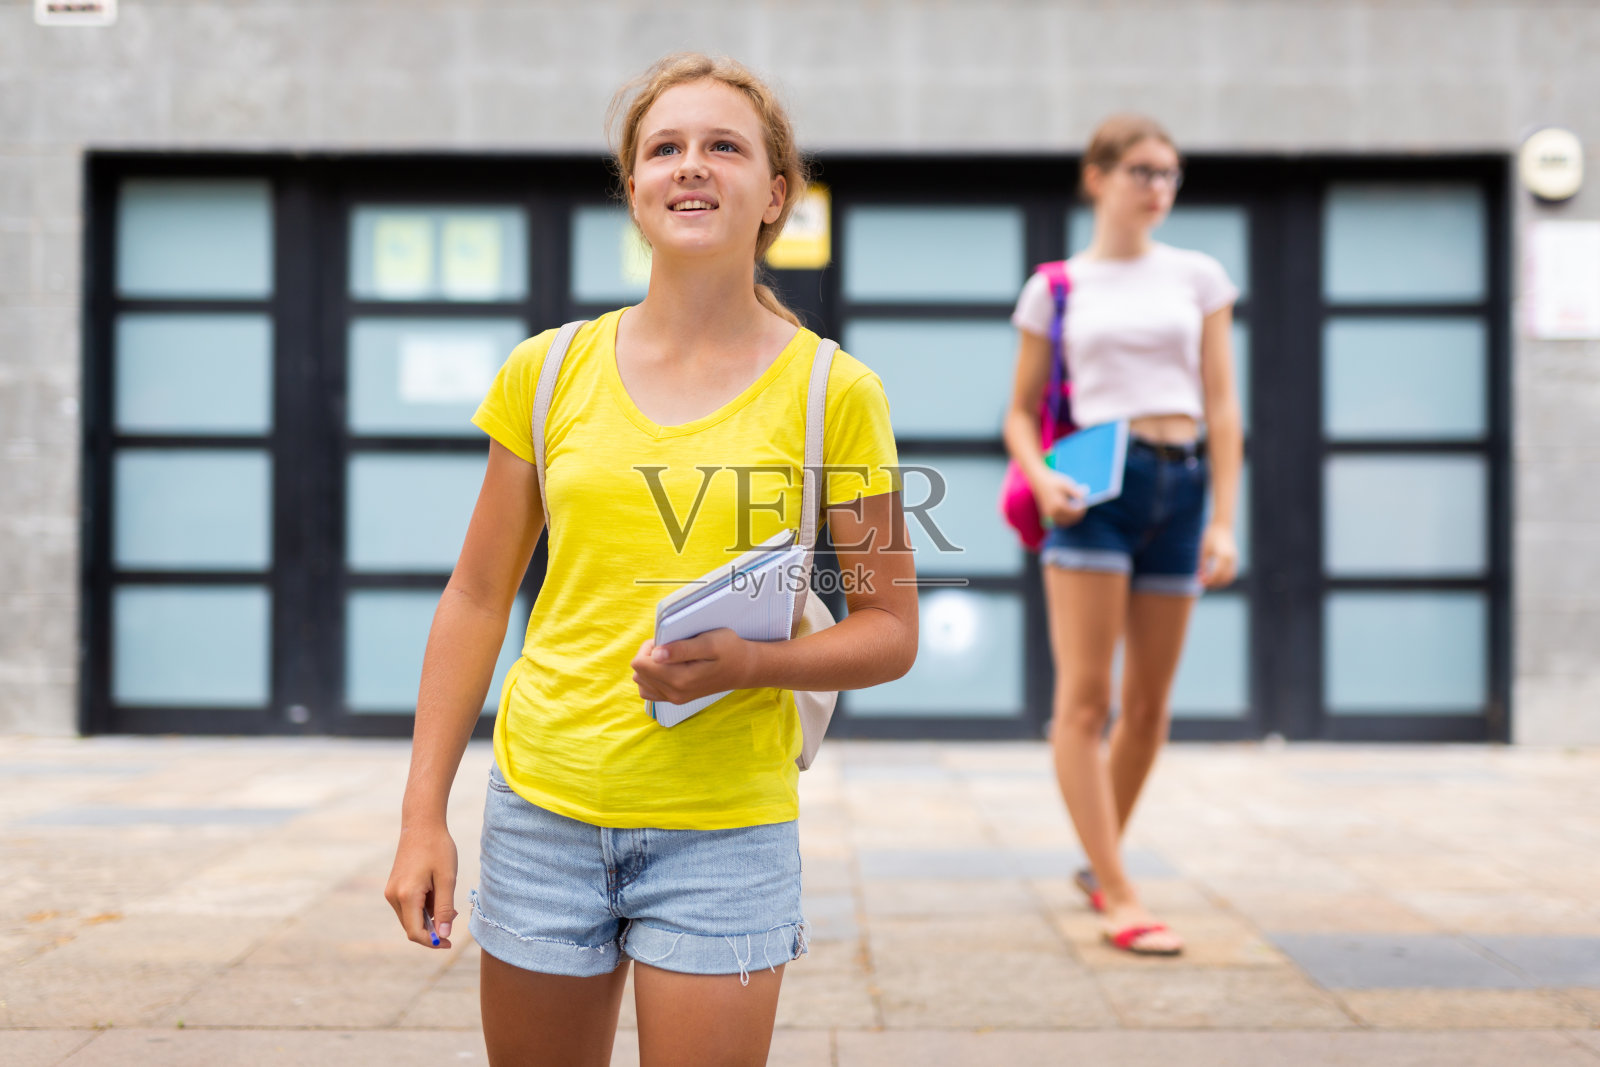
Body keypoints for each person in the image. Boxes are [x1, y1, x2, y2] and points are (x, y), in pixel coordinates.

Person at [383, 53, 916, 1066]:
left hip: (723, 828)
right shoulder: (547, 371)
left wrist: (754, 663)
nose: (691, 166)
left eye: (724, 146)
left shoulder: (834, 393)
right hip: (542, 810)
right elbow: (476, 593)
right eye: (664, 147)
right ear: (632, 188)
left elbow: (890, 633)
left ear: (776, 195)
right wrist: (423, 817)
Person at [1003, 114, 1242, 957]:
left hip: (1182, 482)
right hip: (1096, 483)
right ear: (1097, 176)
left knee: (1148, 706)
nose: (1158, 187)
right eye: (1142, 169)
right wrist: (1041, 477)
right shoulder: (1058, 285)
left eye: (1170, 173)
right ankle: (1121, 889)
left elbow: (1221, 403)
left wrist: (1223, 518)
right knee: (1086, 699)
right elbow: (1020, 411)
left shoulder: (1200, 276)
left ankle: (1097, 860)